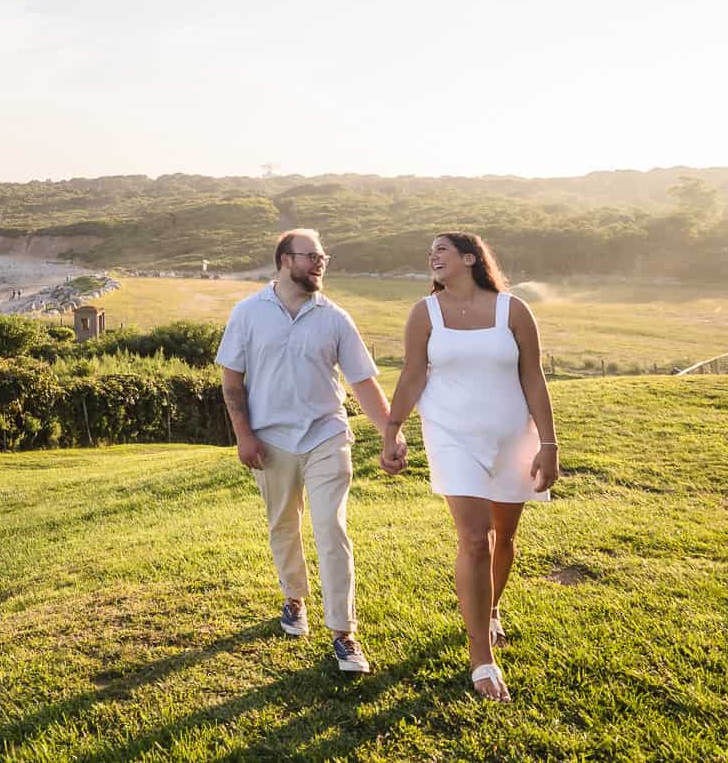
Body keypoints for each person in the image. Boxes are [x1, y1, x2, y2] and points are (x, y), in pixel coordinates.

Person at [216, 229, 408, 672]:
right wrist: (243, 434)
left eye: (324, 257)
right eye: (312, 256)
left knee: (330, 527)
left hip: (327, 434)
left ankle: (344, 633)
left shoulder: (335, 317)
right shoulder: (247, 313)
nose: (321, 263)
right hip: (270, 439)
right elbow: (232, 382)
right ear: (285, 260)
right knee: (283, 523)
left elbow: (362, 382)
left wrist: (388, 432)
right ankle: (294, 600)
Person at [382, 232, 559, 702]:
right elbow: (413, 373)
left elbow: (533, 377)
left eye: (441, 250)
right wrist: (392, 428)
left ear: (469, 258)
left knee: (504, 537)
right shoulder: (425, 313)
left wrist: (549, 443)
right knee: (476, 539)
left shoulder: (513, 310)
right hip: (451, 435)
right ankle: (481, 657)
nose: (432, 257)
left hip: (511, 436)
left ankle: (491, 609)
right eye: (429, 253)